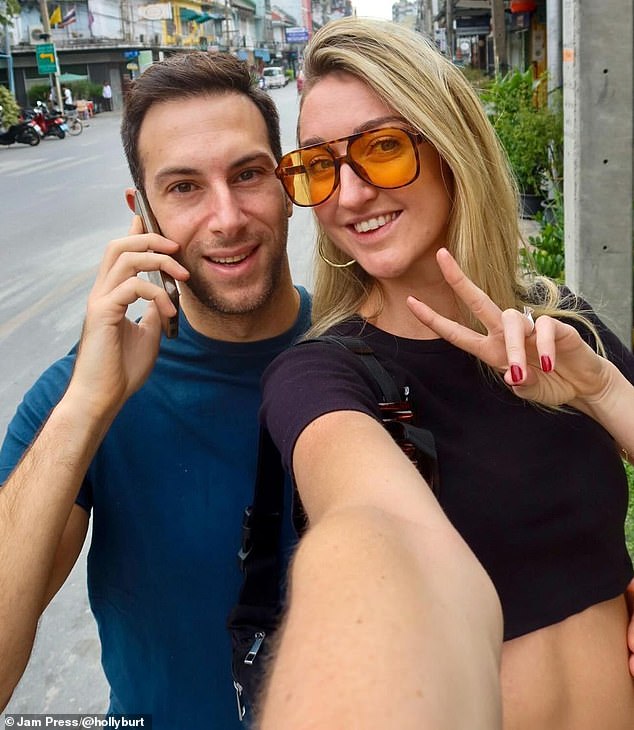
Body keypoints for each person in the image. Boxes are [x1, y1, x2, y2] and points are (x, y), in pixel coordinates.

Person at [261, 18, 634, 730]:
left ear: (450, 145)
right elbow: (371, 523)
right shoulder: (321, 377)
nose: (348, 195)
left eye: (382, 148)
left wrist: (603, 390)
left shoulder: (557, 319)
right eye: (316, 166)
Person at [0, 51, 310, 729]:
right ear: (140, 214)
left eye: (248, 174)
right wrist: (86, 407)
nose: (226, 218)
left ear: (286, 183)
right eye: (183, 188)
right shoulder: (82, 395)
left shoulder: (357, 357)